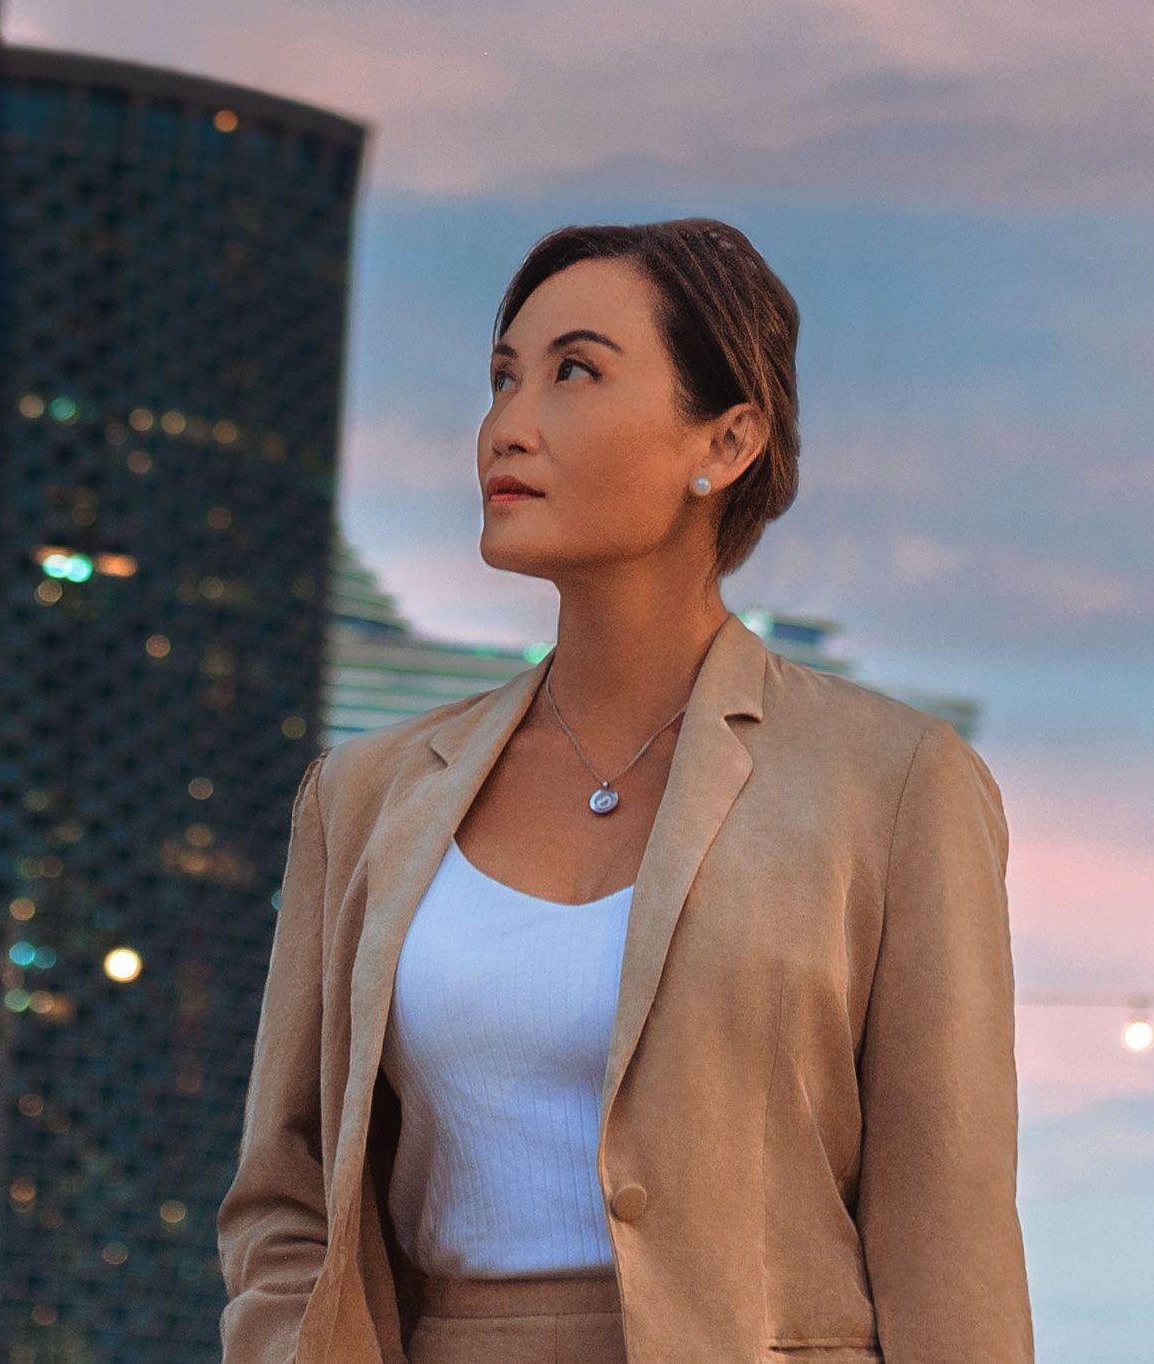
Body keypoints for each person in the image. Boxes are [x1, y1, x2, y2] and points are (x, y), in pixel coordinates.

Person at [222, 216, 1028, 1364]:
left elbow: (948, 1233)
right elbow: (284, 1198)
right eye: (502, 376)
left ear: (728, 437)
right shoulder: (360, 798)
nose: (509, 422)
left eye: (574, 371)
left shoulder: (895, 784)